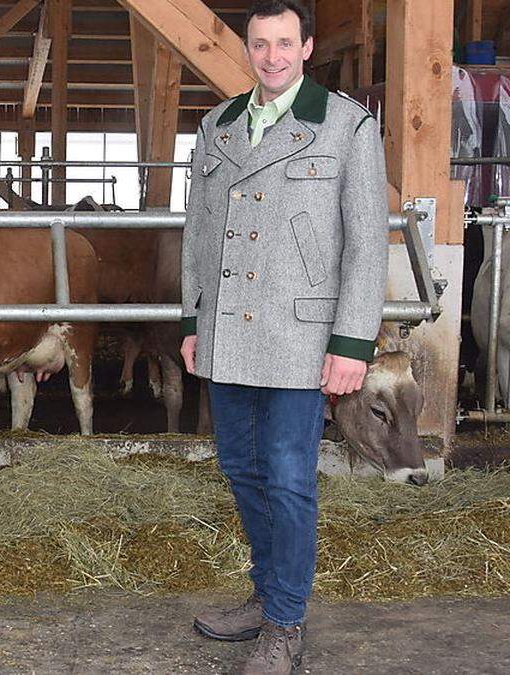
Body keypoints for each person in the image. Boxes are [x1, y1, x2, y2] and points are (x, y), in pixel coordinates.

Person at [179, 2, 388, 673]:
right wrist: (193, 319)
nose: (272, 56)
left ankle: (286, 623)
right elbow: (199, 235)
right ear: (247, 46)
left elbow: (365, 245)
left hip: (301, 334)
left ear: (308, 47)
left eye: (284, 43)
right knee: (241, 469)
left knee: (291, 477)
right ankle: (269, 594)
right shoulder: (217, 126)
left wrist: (351, 343)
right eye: (260, 43)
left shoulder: (346, 125)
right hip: (229, 329)